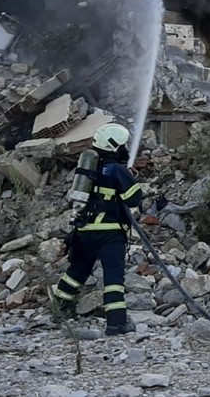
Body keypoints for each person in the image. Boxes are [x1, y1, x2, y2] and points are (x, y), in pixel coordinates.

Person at [50, 123, 143, 335]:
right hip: (110, 233)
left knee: (76, 271)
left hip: (83, 231)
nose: (125, 148)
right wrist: (130, 178)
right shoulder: (117, 170)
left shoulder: (89, 167)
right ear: (114, 146)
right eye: (122, 145)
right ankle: (116, 323)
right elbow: (134, 199)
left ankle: (60, 311)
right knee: (113, 279)